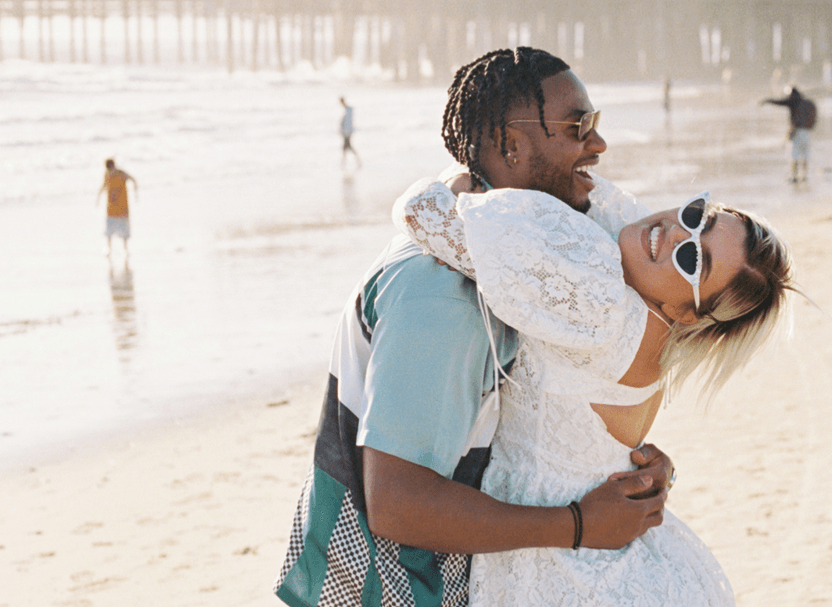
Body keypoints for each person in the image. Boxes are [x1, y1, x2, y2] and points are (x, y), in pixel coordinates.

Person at [275, 48, 673, 607]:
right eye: (577, 127)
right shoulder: (446, 295)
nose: (598, 143)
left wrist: (616, 465)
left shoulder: (489, 253)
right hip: (394, 588)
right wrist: (580, 525)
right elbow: (397, 503)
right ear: (510, 145)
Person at [394, 172, 794, 605]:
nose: (678, 233)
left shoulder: (602, 306)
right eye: (699, 215)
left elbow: (420, 211)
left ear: (687, 312)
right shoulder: (656, 326)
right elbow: (589, 191)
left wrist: (458, 182)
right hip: (617, 553)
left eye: (693, 260)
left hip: (565, 566)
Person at [762, 86, 816, 183]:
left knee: (794, 155)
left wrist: (767, 101)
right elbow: (814, 117)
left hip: (796, 132)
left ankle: (794, 176)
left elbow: (779, 102)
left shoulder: (793, 101)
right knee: (805, 155)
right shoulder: (809, 103)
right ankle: (804, 176)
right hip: (807, 133)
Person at [96, 158, 138, 256]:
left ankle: (126, 249)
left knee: (124, 232)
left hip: (123, 208)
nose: (110, 171)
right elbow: (104, 186)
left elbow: (133, 179)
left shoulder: (121, 174)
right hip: (111, 209)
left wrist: (136, 193)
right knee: (109, 231)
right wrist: (98, 197)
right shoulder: (107, 175)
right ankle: (109, 249)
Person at [339, 96, 361, 166]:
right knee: (347, 147)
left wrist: (344, 131)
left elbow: (347, 123)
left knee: (347, 147)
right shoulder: (348, 111)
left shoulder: (348, 111)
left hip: (347, 132)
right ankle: (345, 162)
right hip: (347, 132)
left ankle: (345, 162)